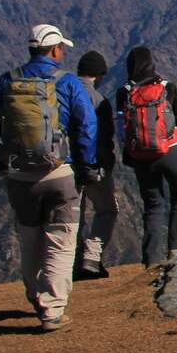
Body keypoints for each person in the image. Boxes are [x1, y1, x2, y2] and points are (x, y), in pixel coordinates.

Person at [0, 24, 99, 332]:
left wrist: (0, 162)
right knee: (61, 241)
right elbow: (87, 126)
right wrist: (87, 166)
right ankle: (53, 309)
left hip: (19, 175)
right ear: (56, 50)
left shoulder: (8, 81)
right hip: (59, 172)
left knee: (30, 237)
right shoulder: (68, 82)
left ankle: (36, 297)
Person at [117, 46, 177, 267]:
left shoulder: (124, 93)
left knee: (153, 205)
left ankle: (151, 259)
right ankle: (176, 249)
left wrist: (128, 156)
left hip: (141, 157)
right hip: (172, 151)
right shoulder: (167, 88)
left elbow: (123, 128)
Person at [74, 51, 119, 280]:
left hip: (65, 167)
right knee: (107, 209)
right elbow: (104, 138)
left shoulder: (62, 93)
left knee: (74, 217)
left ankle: (72, 261)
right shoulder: (98, 101)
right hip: (93, 167)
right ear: (99, 75)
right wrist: (106, 164)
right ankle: (91, 258)